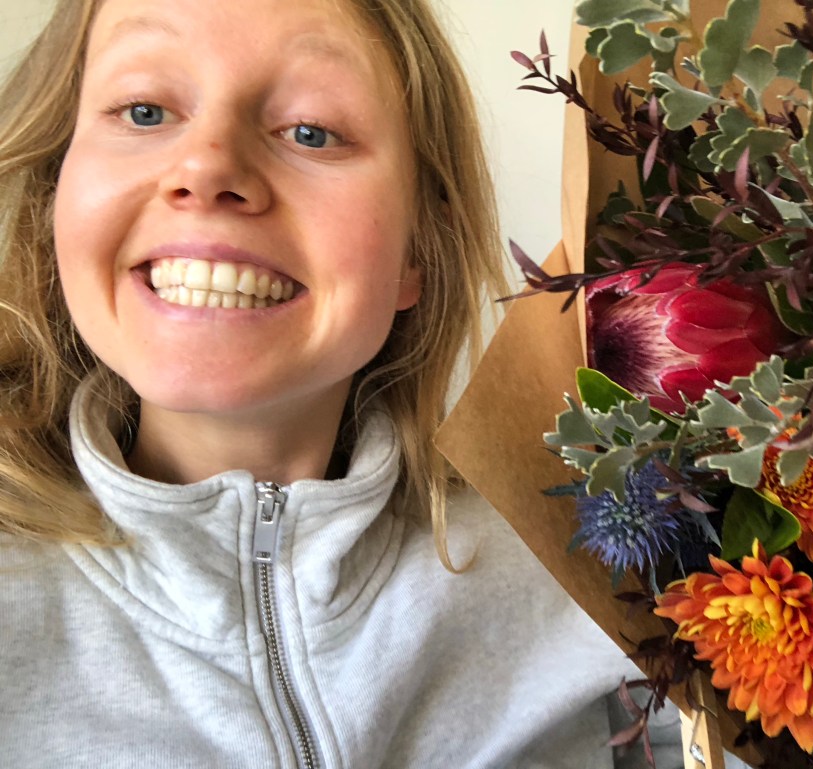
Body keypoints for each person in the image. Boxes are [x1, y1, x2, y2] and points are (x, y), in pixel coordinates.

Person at [0, 0, 685, 767]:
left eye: (311, 130)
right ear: (58, 191)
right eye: (144, 110)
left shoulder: (603, 581)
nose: (208, 168)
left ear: (419, 246)